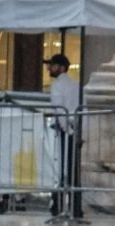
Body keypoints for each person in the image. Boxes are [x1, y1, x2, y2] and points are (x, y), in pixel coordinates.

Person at [45, 53, 80, 217]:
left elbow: (59, 109)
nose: (49, 68)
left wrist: (65, 128)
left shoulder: (57, 86)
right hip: (75, 129)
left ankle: (58, 204)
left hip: (65, 130)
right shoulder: (75, 84)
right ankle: (75, 206)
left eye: (52, 65)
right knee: (73, 169)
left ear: (61, 67)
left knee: (63, 168)